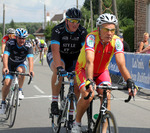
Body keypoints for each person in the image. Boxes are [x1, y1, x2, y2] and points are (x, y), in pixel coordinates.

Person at [71, 13, 137, 133]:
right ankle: (77, 123)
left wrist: (129, 81)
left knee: (106, 95)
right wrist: (90, 81)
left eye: (112, 30)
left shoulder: (117, 41)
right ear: (99, 29)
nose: (110, 33)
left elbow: (121, 64)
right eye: (106, 29)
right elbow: (90, 61)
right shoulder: (91, 38)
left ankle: (103, 130)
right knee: (88, 94)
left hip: (101, 72)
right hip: (84, 70)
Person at [46, 7, 87, 116]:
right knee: (59, 68)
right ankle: (54, 101)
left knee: (77, 81)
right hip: (58, 55)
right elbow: (55, 50)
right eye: (72, 21)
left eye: (78, 21)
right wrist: (59, 68)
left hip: (73, 58)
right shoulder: (58, 30)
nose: (75, 24)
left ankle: (71, 113)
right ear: (67, 20)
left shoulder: (82, 31)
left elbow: (85, 52)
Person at [0, 28, 34, 114]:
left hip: (20, 63)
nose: (21, 40)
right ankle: (3, 102)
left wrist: (30, 70)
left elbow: (30, 59)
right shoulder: (10, 43)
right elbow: (5, 56)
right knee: (7, 83)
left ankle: (20, 90)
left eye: (23, 38)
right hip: (10, 64)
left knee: (21, 71)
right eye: (19, 38)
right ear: (16, 37)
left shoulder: (28, 45)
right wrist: (5, 67)